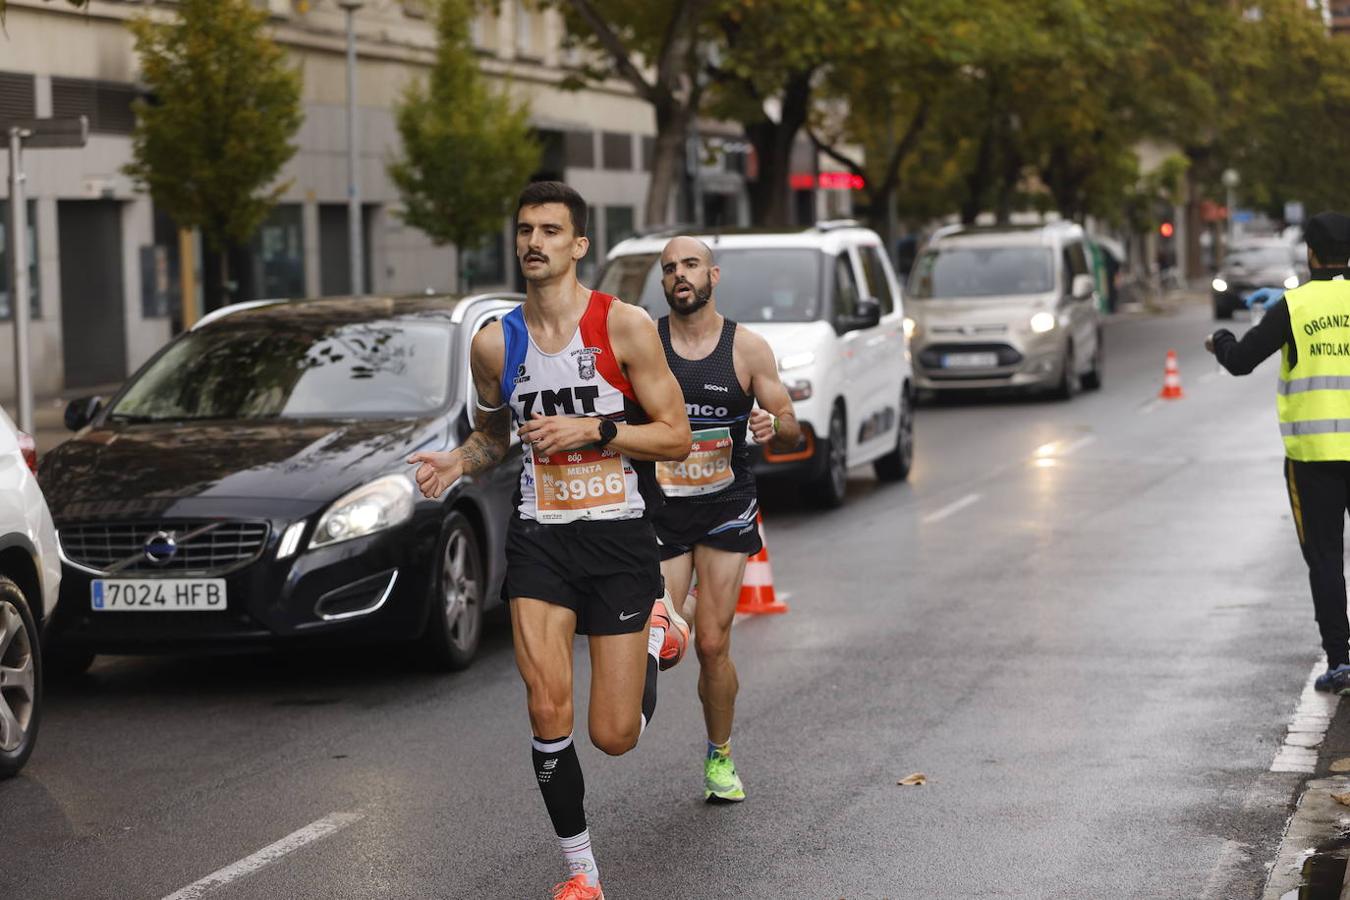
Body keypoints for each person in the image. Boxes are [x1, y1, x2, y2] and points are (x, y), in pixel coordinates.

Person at [407, 181, 692, 900]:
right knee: (545, 707)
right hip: (542, 538)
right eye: (525, 230)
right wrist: (457, 460)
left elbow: (676, 436)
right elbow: (492, 437)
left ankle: (657, 627)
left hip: (620, 538)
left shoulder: (624, 328)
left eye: (551, 231)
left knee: (615, 735)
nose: (534, 242)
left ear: (579, 245)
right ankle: (581, 874)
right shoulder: (493, 342)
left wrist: (596, 429)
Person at [650, 235, 801, 802]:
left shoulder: (747, 348)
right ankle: (681, 607)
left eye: (690, 265)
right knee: (662, 640)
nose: (679, 276)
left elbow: (790, 422)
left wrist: (772, 425)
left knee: (712, 645)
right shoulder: (647, 343)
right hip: (662, 508)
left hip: (725, 505)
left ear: (713, 275)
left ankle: (719, 756)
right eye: (669, 269)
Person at [1204, 211, 1350, 694]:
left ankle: (1341, 661)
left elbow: (1242, 362)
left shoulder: (1295, 308)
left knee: (1326, 557)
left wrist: (1220, 339)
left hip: (1314, 458)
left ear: (1309, 253)